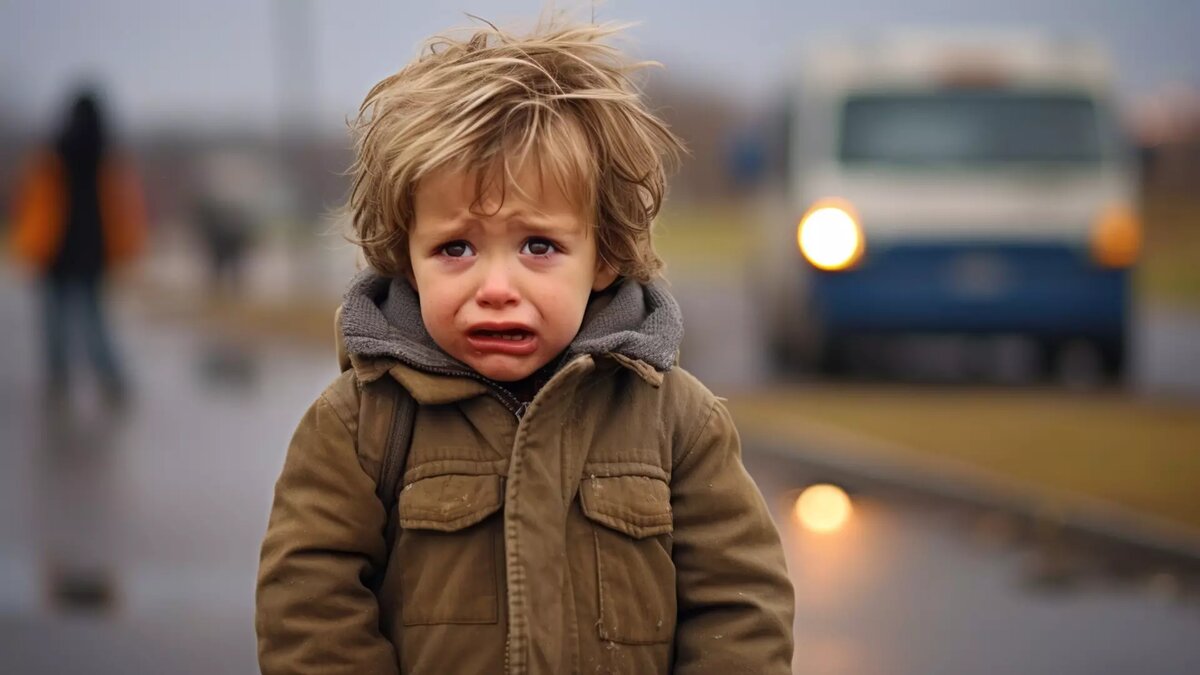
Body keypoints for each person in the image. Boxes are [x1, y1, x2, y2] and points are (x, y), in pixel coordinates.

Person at [256, 19, 795, 674]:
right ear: (407, 256)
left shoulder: (677, 422)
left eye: (538, 246)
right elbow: (308, 604)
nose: (496, 287)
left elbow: (742, 603)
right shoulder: (361, 424)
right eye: (456, 248)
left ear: (604, 257)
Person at [9, 88, 145, 405]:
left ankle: (61, 380)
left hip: (56, 251)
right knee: (92, 322)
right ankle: (109, 381)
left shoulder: (55, 152)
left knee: (58, 324)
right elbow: (123, 208)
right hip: (88, 253)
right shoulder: (105, 156)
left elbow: (32, 201)